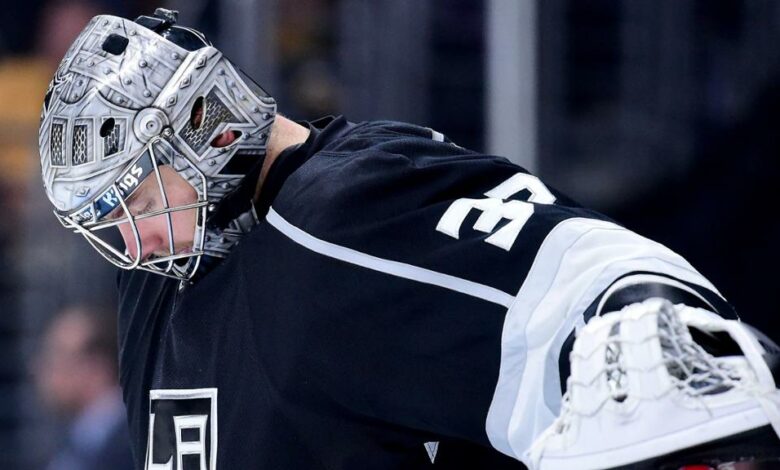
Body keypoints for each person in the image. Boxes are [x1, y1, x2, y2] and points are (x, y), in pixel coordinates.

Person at [37, 9, 780, 470]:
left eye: (132, 200)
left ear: (204, 130)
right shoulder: (157, 279)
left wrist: (678, 363)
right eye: (104, 220)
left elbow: (600, 281)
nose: (129, 243)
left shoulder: (338, 218)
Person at [34, 305, 134, 470]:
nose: (40, 367)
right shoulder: (84, 440)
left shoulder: (130, 443)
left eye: (56, 354)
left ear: (96, 366)